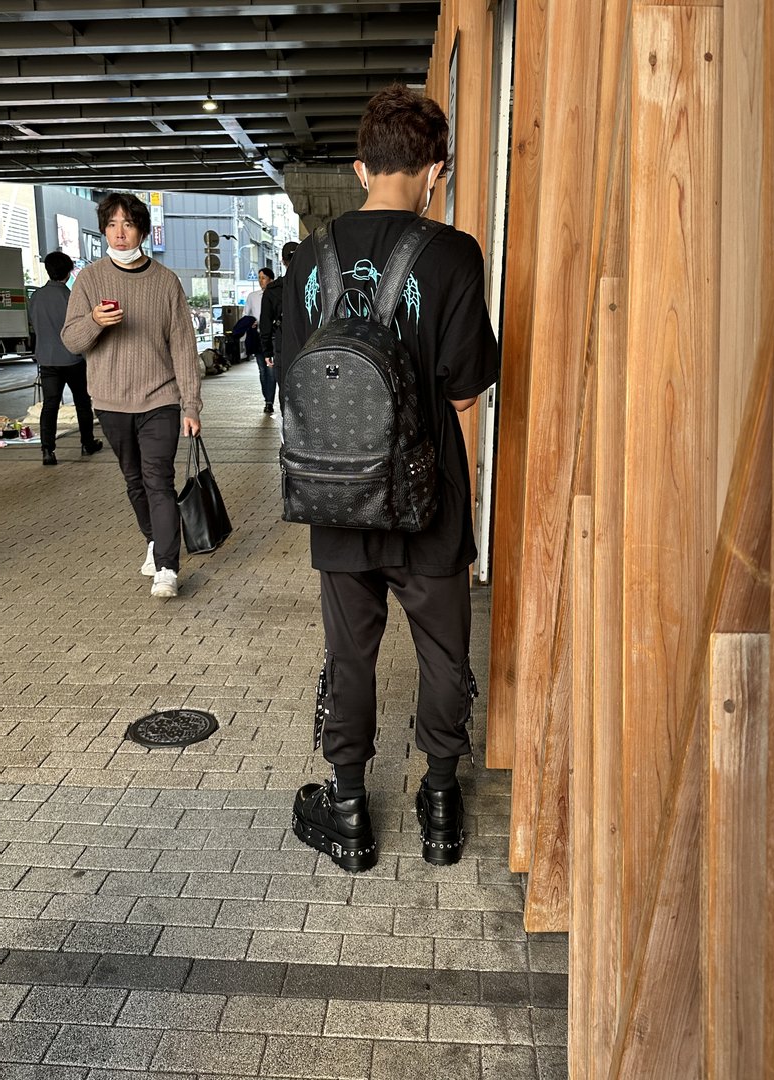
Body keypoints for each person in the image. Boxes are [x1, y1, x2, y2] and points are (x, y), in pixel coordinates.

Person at [281, 84, 498, 871]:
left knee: (351, 654)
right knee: (443, 652)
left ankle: (347, 810)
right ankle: (441, 806)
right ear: (435, 169)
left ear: (359, 164)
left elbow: (293, 378)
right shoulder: (454, 252)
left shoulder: (312, 254)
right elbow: (466, 388)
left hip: (335, 494)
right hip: (429, 492)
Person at [61, 192, 202, 600]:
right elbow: (71, 341)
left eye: (127, 224)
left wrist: (191, 405)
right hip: (109, 400)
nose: (119, 234)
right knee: (134, 480)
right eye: (111, 225)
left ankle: (167, 567)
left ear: (141, 228)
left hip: (160, 400)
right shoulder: (88, 280)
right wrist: (93, 322)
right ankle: (155, 540)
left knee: (159, 480)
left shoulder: (165, 282)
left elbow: (183, 348)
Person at [29, 251, 102, 466]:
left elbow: (35, 326)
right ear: (69, 271)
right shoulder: (70, 298)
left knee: (50, 405)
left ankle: (47, 450)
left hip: (47, 360)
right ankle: (87, 443)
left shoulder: (36, 297)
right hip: (73, 359)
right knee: (81, 401)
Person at [260, 244, 299, 395]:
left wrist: (267, 352)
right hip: (308, 342)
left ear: (283, 261)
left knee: (285, 388)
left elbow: (265, 324)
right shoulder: (314, 285)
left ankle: (287, 418)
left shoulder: (272, 290)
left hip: (282, 345)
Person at [240, 269, 276, 412]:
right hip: (258, 337)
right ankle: (266, 399)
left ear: (271, 280)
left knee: (271, 371)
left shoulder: (276, 295)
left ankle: (270, 402)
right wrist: (250, 322)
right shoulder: (252, 296)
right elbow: (245, 315)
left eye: (264, 278)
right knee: (262, 371)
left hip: (272, 337)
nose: (261, 280)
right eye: (259, 278)